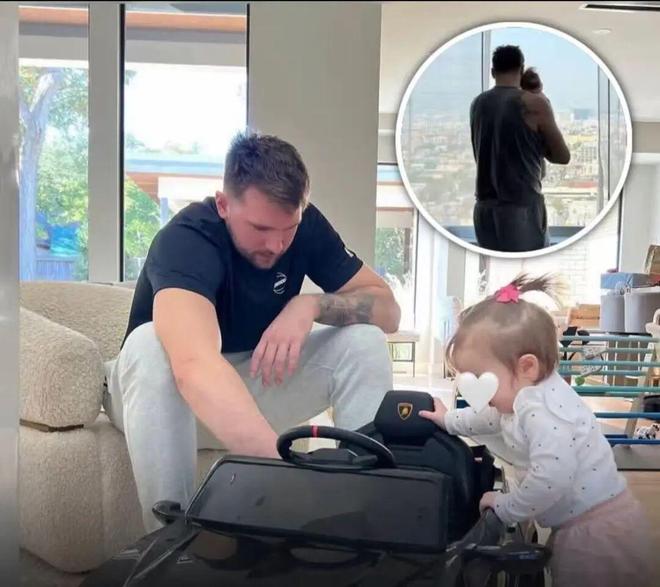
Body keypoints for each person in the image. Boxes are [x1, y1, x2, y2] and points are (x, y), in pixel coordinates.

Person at [103, 132, 401, 532]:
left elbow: (389, 312)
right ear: (224, 205)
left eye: (288, 229)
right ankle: (171, 539)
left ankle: (364, 525)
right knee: (149, 344)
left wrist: (310, 305)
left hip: (251, 381)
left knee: (365, 340)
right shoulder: (187, 238)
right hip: (157, 394)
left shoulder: (305, 226)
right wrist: (286, 480)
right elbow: (193, 366)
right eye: (260, 228)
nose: (276, 245)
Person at [419, 274, 652, 587]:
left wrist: (506, 506)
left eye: (479, 377)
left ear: (526, 366)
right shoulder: (525, 392)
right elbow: (490, 417)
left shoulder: (541, 409)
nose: (471, 389)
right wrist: (449, 420)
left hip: (596, 536)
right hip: (589, 522)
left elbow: (550, 477)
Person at [470, 46, 571, 252]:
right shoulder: (534, 103)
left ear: (493, 72)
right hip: (521, 208)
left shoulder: (477, 104)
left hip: (484, 209)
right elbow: (562, 156)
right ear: (521, 69)